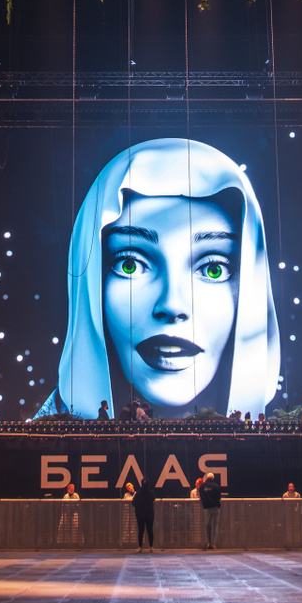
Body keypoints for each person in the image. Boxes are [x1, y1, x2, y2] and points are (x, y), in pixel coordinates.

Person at [37, 139, 281, 420]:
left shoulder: (267, 440)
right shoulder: (44, 437)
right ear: (92, 281)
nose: (171, 305)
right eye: (129, 265)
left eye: (213, 269)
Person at [196, 472, 223, 549]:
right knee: (214, 526)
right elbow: (219, 497)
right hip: (216, 508)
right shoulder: (216, 486)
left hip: (207, 508)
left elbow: (201, 496)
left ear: (206, 478)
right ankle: (213, 544)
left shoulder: (202, 486)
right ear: (213, 478)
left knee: (207, 526)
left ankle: (208, 543)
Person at [131, 477, 156, 551]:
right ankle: (151, 547)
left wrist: (139, 507)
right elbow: (153, 499)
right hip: (149, 514)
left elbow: (133, 503)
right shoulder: (151, 493)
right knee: (150, 531)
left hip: (140, 514)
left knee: (141, 531)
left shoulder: (138, 493)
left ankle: (140, 547)